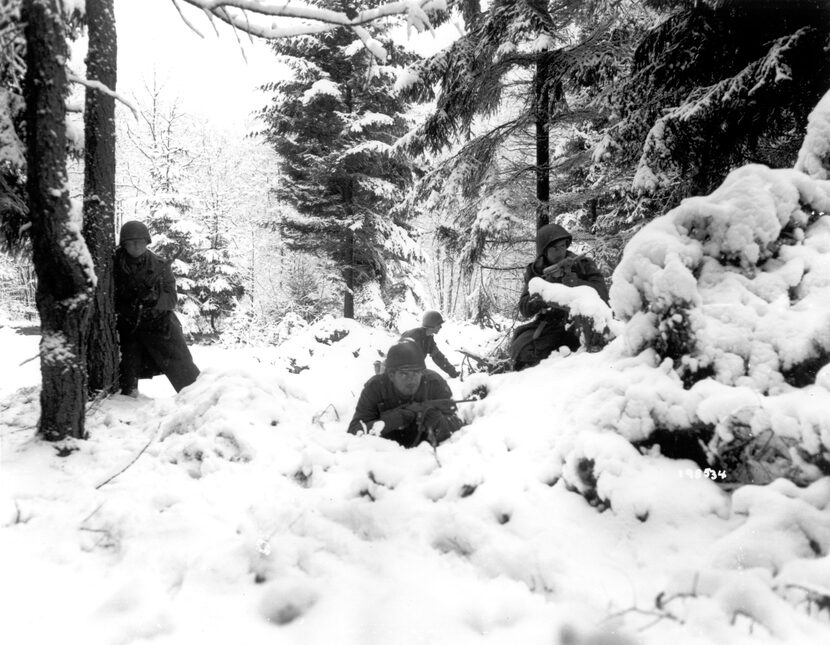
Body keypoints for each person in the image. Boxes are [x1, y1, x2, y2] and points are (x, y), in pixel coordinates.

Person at [114, 220, 200, 397]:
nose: (136, 246)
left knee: (183, 368)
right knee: (126, 372)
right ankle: (125, 403)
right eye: (131, 242)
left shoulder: (159, 265)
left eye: (140, 241)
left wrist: (153, 300)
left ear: (147, 242)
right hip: (127, 325)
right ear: (124, 244)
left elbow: (171, 298)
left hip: (158, 323)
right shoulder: (113, 265)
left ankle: (196, 398)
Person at [509, 223, 609, 370]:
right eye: (555, 248)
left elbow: (603, 295)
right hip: (550, 325)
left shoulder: (583, 264)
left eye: (563, 246)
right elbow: (525, 308)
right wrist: (545, 291)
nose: (560, 252)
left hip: (581, 323)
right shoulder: (536, 271)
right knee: (522, 349)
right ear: (544, 251)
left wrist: (574, 282)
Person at [348, 342, 463, 448]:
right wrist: (395, 419)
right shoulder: (375, 388)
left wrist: (438, 422)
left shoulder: (434, 383)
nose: (412, 380)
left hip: (427, 455)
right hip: (385, 456)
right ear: (391, 375)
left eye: (416, 372)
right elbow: (354, 431)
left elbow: (458, 423)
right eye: (404, 374)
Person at [400, 310, 460, 378]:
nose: (441, 327)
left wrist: (452, 372)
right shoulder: (412, 336)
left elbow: (438, 357)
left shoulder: (428, 338)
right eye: (439, 325)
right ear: (432, 325)